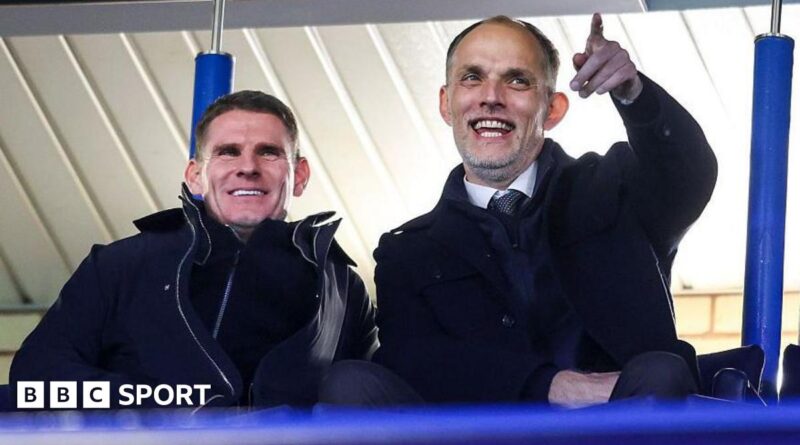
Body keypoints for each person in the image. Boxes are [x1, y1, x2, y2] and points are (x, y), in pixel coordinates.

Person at [320, 13, 716, 407]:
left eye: (517, 80)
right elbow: (413, 361)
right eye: (472, 77)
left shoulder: (616, 187)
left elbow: (689, 174)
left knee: (661, 372)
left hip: (618, 428)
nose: (491, 96)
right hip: (474, 438)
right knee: (351, 382)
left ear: (553, 109)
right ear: (446, 104)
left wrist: (634, 93)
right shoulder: (407, 251)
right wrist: (551, 386)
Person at [10, 91, 378, 409]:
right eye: (227, 152)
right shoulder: (119, 266)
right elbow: (33, 378)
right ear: (195, 175)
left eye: (268, 153)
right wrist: (153, 403)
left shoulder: (343, 289)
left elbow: (369, 403)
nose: (247, 167)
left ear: (299, 176)